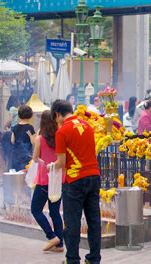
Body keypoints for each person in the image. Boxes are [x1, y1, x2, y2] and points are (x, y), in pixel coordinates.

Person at [51, 100, 101, 264]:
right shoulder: (87, 126)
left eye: (55, 117)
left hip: (75, 180)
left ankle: (72, 259)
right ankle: (94, 258)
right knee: (94, 221)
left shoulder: (62, 131)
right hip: (94, 176)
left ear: (57, 114)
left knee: (72, 222)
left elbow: (61, 162)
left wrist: (51, 167)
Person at [31, 110, 65, 253]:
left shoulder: (39, 139)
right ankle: (59, 245)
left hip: (45, 179)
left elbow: (35, 158)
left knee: (35, 209)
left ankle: (52, 236)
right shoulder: (60, 136)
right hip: (59, 179)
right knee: (55, 211)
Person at [11, 105, 36, 171]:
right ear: (30, 115)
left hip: (16, 155)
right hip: (27, 155)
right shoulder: (30, 128)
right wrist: (30, 136)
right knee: (26, 173)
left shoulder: (15, 127)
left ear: (19, 115)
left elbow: (12, 141)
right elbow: (33, 143)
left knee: (17, 174)